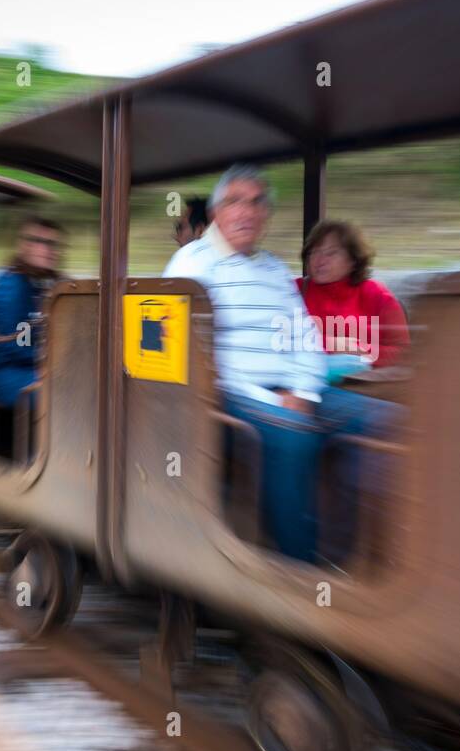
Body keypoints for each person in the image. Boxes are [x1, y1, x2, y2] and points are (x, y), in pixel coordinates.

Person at [164, 165, 398, 565]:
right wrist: (274, 399)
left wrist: (303, 390)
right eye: (235, 201)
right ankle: (300, 571)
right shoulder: (192, 264)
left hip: (295, 390)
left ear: (267, 215)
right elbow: (190, 355)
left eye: (257, 203)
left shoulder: (272, 268)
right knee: (294, 436)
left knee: (389, 421)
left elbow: (303, 336)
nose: (247, 212)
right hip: (229, 395)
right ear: (218, 212)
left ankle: (361, 554)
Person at [0, 216, 65, 460]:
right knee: (63, 390)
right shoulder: (14, 286)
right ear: (24, 246)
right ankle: (42, 458)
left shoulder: (40, 283)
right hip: (6, 372)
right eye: (39, 242)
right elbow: (16, 344)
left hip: (27, 365)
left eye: (53, 244)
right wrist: (55, 362)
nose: (47, 250)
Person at [297, 220, 409, 382]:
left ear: (353, 260)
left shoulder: (377, 296)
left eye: (331, 253)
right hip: (303, 385)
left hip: (360, 389)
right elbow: (270, 338)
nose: (320, 260)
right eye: (314, 252)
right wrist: (328, 344)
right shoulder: (294, 291)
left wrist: (359, 350)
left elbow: (403, 355)